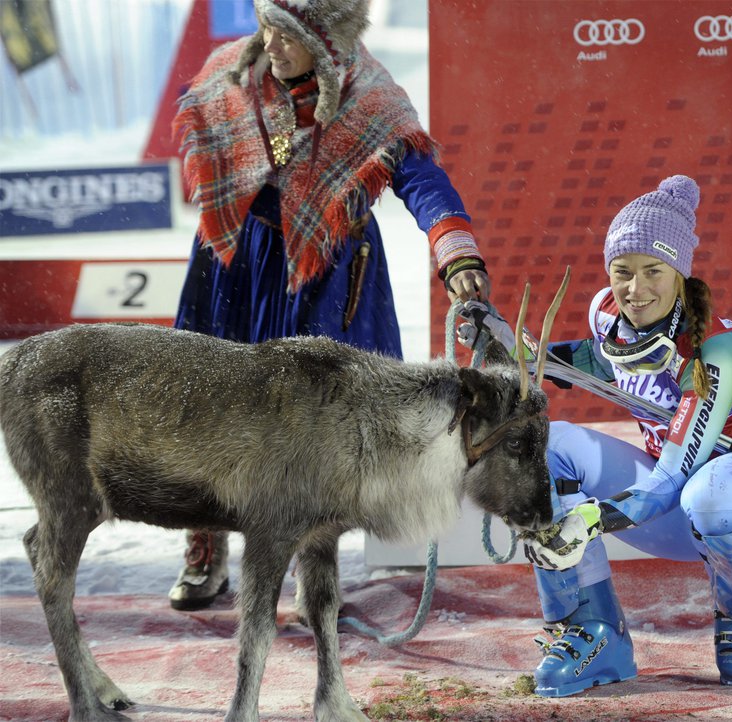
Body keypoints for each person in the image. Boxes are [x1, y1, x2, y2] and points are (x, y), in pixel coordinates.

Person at [167, 0, 490, 611]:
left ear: (326, 35)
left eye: (290, 34)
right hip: (235, 259)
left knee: (318, 425)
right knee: (206, 405)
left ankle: (313, 573)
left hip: (327, 270)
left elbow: (420, 178)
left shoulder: (369, 97)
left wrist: (456, 251)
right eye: (268, 26)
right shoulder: (229, 74)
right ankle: (205, 547)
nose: (272, 43)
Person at [460, 175, 732, 693]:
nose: (635, 290)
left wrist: (591, 520)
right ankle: (593, 632)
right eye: (622, 271)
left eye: (652, 272)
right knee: (545, 450)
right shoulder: (609, 315)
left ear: (680, 274)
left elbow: (671, 480)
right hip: (670, 509)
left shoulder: (717, 349)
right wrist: (509, 344)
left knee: (712, 494)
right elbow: (598, 361)